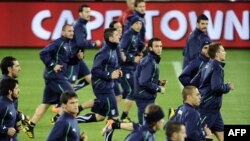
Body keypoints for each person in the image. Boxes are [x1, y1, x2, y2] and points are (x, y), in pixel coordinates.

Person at [24, 23, 78, 138]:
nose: (71, 33)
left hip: (55, 77)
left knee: (46, 104)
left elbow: (66, 61)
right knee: (71, 96)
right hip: (55, 76)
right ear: (63, 32)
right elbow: (43, 53)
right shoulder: (58, 43)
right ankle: (59, 120)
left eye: (72, 31)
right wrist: (53, 65)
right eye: (69, 31)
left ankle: (30, 126)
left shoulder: (68, 44)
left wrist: (77, 59)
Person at [76, 28, 122, 141]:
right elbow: (95, 70)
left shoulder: (113, 49)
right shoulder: (104, 52)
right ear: (111, 38)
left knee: (100, 117)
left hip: (107, 86)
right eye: (116, 34)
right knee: (114, 117)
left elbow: (112, 66)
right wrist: (110, 75)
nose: (119, 35)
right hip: (103, 88)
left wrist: (118, 71)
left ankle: (72, 119)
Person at [191, 43, 234, 141]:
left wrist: (200, 94)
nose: (225, 53)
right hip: (207, 110)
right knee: (202, 137)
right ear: (217, 54)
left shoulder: (207, 65)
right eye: (223, 51)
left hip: (214, 111)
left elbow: (193, 82)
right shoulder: (217, 67)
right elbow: (216, 87)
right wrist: (227, 87)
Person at [133, 37, 166, 124]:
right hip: (144, 97)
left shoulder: (151, 59)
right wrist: (159, 88)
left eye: (160, 46)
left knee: (148, 124)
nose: (159, 48)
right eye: (156, 46)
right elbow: (143, 82)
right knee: (143, 126)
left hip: (145, 96)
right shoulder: (149, 61)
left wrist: (158, 82)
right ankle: (114, 125)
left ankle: (116, 125)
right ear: (150, 48)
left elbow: (145, 77)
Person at [119, 16, 144, 122]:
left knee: (130, 91)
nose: (139, 26)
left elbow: (139, 46)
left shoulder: (135, 35)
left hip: (132, 67)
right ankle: (123, 116)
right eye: (137, 23)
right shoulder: (127, 35)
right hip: (125, 68)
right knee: (132, 90)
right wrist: (134, 58)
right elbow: (121, 52)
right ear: (132, 24)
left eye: (140, 23)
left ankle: (123, 115)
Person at [0, 56, 30, 140]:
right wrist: (5, 129)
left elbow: (10, 109)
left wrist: (21, 117)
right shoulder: (4, 86)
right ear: (9, 68)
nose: (19, 69)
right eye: (17, 66)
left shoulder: (10, 83)